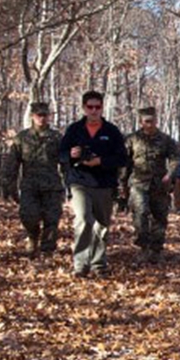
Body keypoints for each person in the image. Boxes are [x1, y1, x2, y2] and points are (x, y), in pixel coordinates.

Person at [59, 90, 128, 277]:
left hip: (104, 183)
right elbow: (60, 155)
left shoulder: (111, 131)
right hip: (79, 181)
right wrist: (71, 155)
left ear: (102, 108)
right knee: (82, 219)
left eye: (97, 107)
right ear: (84, 108)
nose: (94, 111)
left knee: (102, 224)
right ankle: (80, 264)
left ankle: (99, 264)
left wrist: (101, 161)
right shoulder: (74, 130)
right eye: (90, 107)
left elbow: (122, 158)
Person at [0, 102, 64, 255]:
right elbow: (12, 164)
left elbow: (66, 162)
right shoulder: (22, 138)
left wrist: (71, 183)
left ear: (49, 116)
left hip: (52, 185)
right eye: (38, 115)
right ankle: (33, 236)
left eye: (45, 115)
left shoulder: (57, 138)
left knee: (52, 219)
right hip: (30, 185)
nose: (42, 118)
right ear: (32, 116)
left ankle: (47, 250)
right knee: (28, 216)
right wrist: (9, 186)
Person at [119, 107, 180, 263]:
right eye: (147, 121)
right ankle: (143, 248)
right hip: (138, 183)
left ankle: (157, 250)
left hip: (159, 183)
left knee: (160, 216)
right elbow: (124, 162)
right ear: (141, 122)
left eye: (152, 121)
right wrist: (122, 183)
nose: (150, 124)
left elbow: (175, 157)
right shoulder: (132, 139)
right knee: (140, 213)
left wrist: (170, 174)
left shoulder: (165, 139)